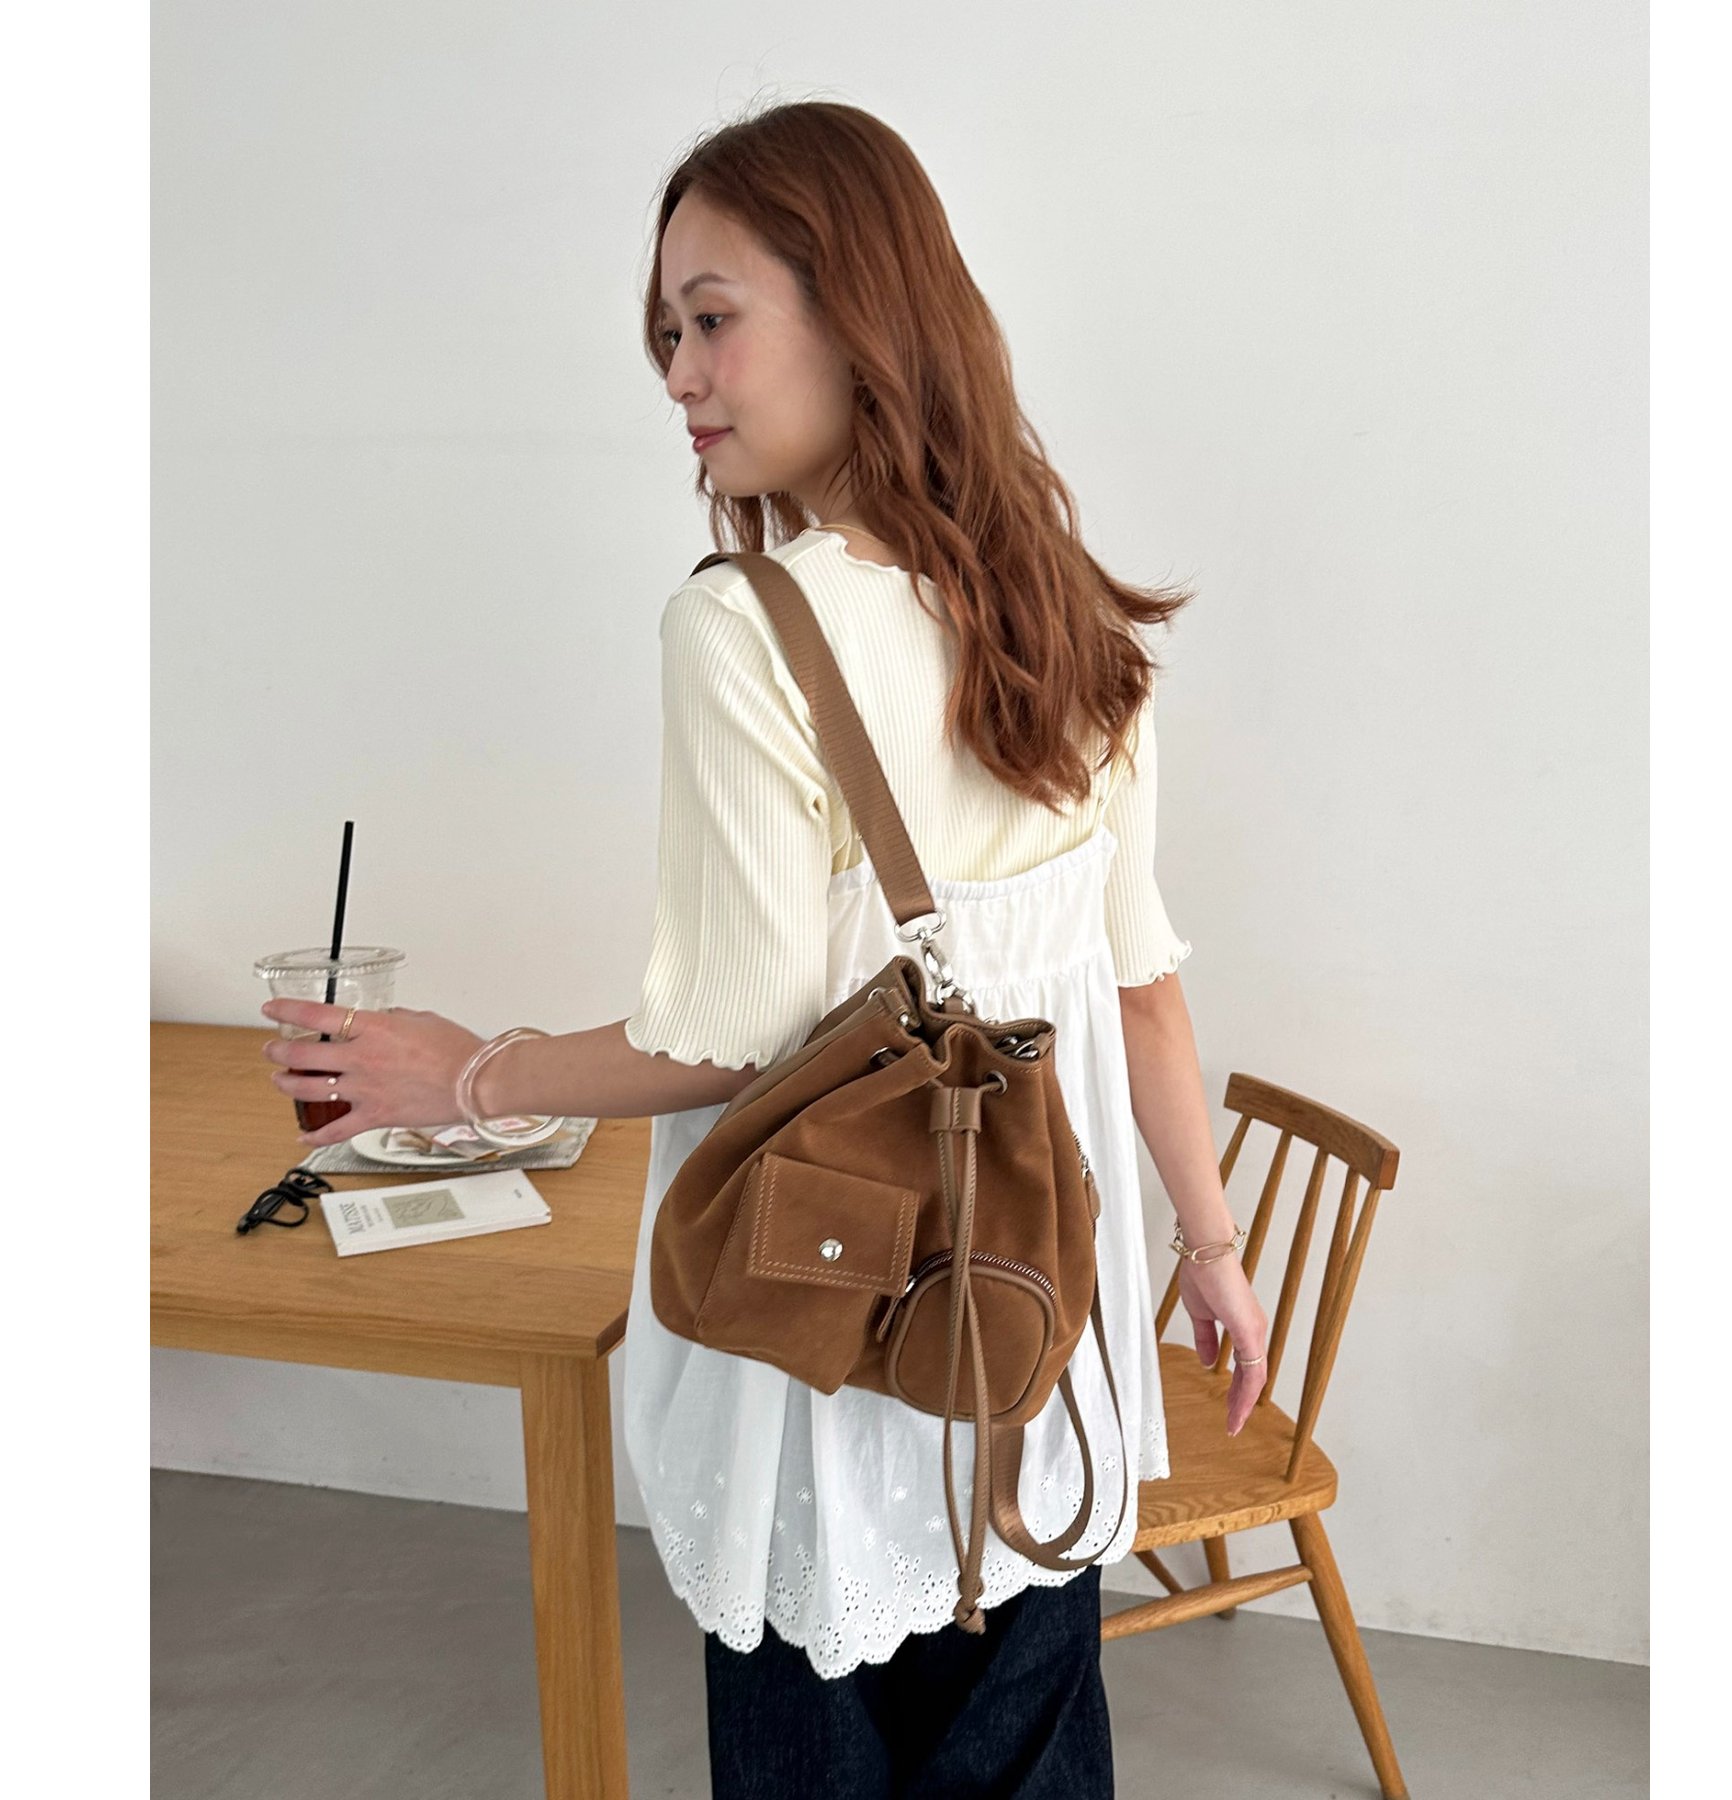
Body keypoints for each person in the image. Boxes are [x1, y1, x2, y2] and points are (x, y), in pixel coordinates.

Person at [259, 99, 1270, 1799]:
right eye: (666, 333)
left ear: (859, 310)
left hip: (827, 1342)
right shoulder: (1072, 621)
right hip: (1040, 1323)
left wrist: (469, 1072)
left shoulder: (746, 627)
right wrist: (1213, 1252)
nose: (679, 373)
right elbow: (1142, 990)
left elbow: (720, 1042)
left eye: (712, 317)